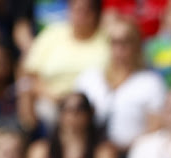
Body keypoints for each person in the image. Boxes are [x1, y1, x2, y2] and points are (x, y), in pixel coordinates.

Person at [74, 17, 166, 153]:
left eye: (125, 42)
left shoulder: (151, 82)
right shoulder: (89, 78)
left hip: (133, 153)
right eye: (114, 42)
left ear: (137, 45)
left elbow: (156, 128)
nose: (119, 48)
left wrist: (125, 147)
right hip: (90, 153)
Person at [18, 0, 109, 132]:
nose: (81, 15)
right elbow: (30, 73)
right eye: (77, 9)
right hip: (51, 101)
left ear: (97, 13)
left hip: (95, 106)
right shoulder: (52, 34)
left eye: (87, 10)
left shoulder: (107, 38)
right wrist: (54, 98)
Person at [24, 91, 119, 158]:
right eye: (66, 108)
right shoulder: (41, 150)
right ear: (60, 113)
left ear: (90, 113)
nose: (73, 114)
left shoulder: (103, 152)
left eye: (80, 108)